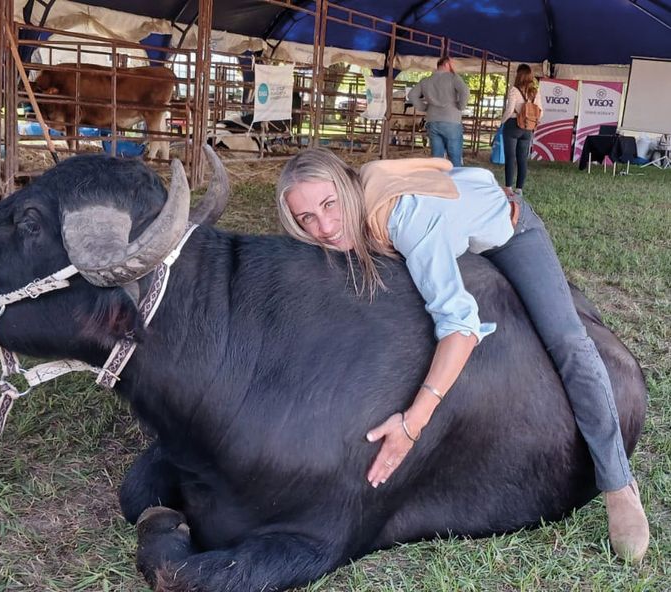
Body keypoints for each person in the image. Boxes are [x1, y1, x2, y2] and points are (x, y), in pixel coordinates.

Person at [275, 148, 650, 563]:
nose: (324, 227)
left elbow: (461, 327)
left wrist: (413, 423)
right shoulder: (369, 178)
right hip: (446, 226)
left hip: (507, 229)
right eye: (306, 218)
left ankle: (619, 485)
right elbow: (438, 165)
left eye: (329, 205)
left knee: (567, 340)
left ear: (347, 189)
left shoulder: (405, 217)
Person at [408, 56, 470, 166]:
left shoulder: (425, 81)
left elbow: (412, 95)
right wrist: (461, 106)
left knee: (437, 158)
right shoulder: (453, 78)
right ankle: (454, 181)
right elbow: (465, 91)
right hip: (451, 120)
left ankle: (439, 180)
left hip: (432, 120)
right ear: (447, 64)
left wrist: (424, 108)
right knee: (455, 157)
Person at [501, 63, 543, 195]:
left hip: (513, 125)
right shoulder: (535, 92)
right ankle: (519, 189)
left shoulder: (514, 90)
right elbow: (541, 112)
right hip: (528, 128)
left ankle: (508, 187)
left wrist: (502, 122)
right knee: (522, 158)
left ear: (518, 75)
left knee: (510, 157)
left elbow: (509, 110)